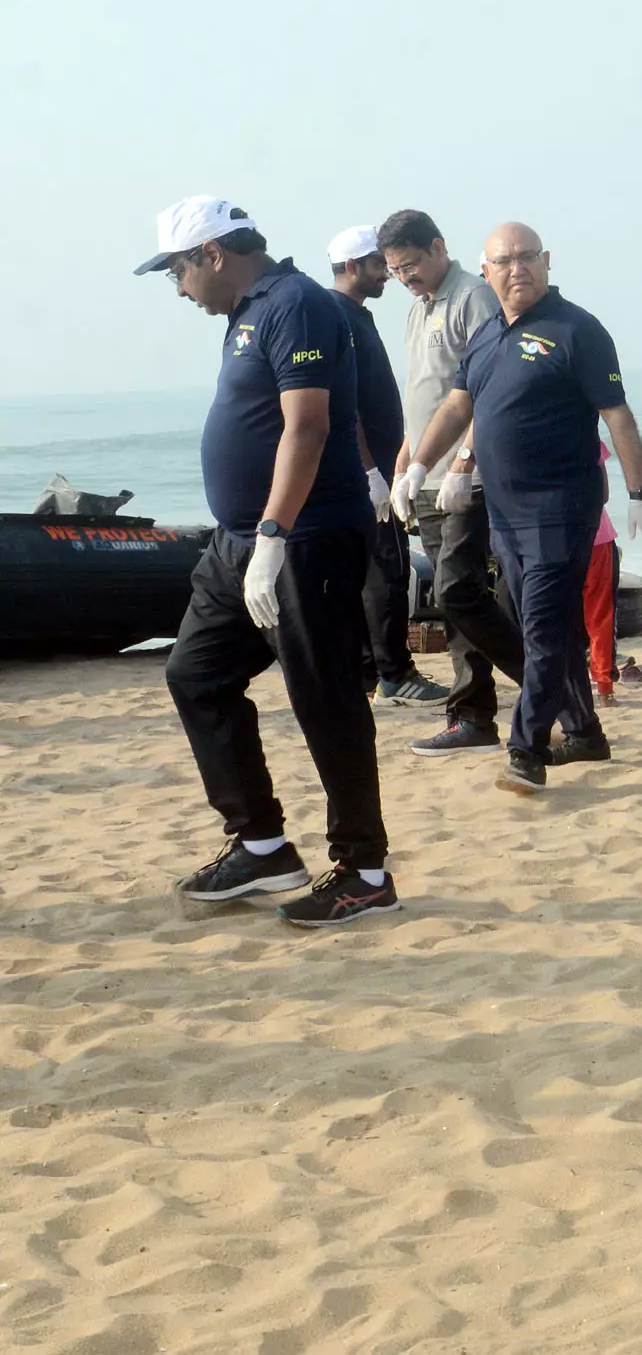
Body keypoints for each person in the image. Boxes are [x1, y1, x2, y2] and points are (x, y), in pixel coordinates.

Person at [136, 196, 399, 926]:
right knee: (195, 675)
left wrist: (277, 532)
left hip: (303, 538)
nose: (179, 289)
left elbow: (309, 426)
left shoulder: (297, 305)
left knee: (325, 698)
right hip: (237, 543)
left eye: (178, 271)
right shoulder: (245, 314)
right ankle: (261, 844)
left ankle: (365, 870)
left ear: (212, 254)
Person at [397, 223, 642, 794]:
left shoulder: (578, 330)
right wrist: (420, 465)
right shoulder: (488, 332)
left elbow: (617, 414)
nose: (517, 268)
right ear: (486, 269)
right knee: (550, 630)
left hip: (560, 509)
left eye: (527, 258)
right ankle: (585, 733)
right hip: (504, 512)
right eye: (505, 260)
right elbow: (456, 404)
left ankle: (526, 750)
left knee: (542, 632)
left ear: (546, 261)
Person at [380, 208, 517, 757]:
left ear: (438, 247)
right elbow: (424, 399)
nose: (405, 277)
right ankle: (473, 716)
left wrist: (464, 463)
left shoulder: (472, 297)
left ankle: (545, 685)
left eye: (410, 264)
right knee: (453, 600)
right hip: (426, 476)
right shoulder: (418, 309)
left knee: (460, 592)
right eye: (394, 270)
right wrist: (401, 467)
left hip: (467, 478)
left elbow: (485, 391)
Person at [325, 225, 450, 707]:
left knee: (364, 573)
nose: (390, 276)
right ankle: (396, 674)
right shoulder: (340, 317)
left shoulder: (357, 315)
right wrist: (371, 471)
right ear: (353, 267)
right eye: (381, 266)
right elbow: (345, 402)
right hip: (368, 473)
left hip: (376, 465)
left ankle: (367, 672)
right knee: (388, 571)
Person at [584, 443, 621, 702]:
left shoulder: (532, 431)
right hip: (596, 535)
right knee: (599, 616)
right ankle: (604, 690)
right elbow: (603, 494)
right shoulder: (589, 437)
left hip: (550, 538)